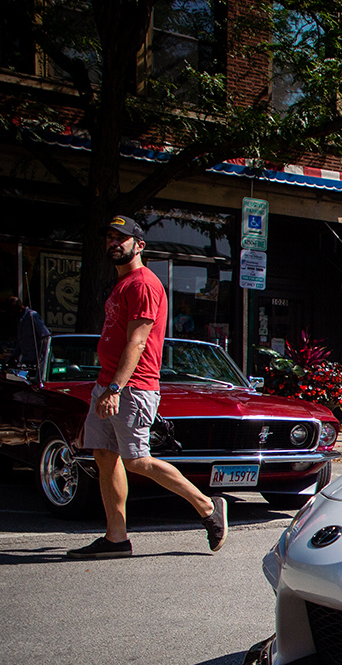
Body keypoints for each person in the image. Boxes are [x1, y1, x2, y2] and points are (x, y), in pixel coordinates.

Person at [66, 215, 227, 559]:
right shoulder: (122, 284)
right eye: (109, 237)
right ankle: (116, 538)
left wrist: (113, 389)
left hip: (130, 387)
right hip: (107, 384)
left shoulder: (143, 284)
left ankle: (207, 506)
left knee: (137, 460)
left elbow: (137, 342)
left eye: (120, 238)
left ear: (139, 245)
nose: (113, 243)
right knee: (104, 456)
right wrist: (102, 389)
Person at [8, 297, 50, 366]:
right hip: (27, 359)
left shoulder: (32, 315)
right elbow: (20, 342)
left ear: (19, 308)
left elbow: (45, 336)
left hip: (37, 360)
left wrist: (43, 358)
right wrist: (13, 357)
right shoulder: (20, 321)